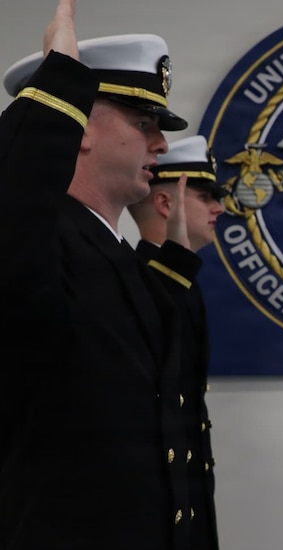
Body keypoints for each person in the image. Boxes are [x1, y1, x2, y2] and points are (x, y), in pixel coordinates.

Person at [0, 2, 207, 548]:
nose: (160, 145)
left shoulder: (110, 251)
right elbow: (14, 210)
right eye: (144, 124)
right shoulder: (45, 240)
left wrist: (175, 258)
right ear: (81, 128)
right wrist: (56, 88)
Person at [127, 135, 228, 550]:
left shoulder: (182, 285)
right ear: (166, 204)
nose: (219, 208)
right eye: (205, 196)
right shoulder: (137, 284)